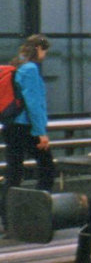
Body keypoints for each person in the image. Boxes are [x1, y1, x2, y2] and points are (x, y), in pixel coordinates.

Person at [3, 34, 56, 204]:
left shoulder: (18, 64)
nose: (45, 55)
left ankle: (6, 212)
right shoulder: (31, 69)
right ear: (39, 49)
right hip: (26, 127)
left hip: (11, 125)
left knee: (14, 172)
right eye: (45, 51)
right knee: (47, 168)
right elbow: (34, 103)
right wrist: (41, 132)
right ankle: (38, 207)